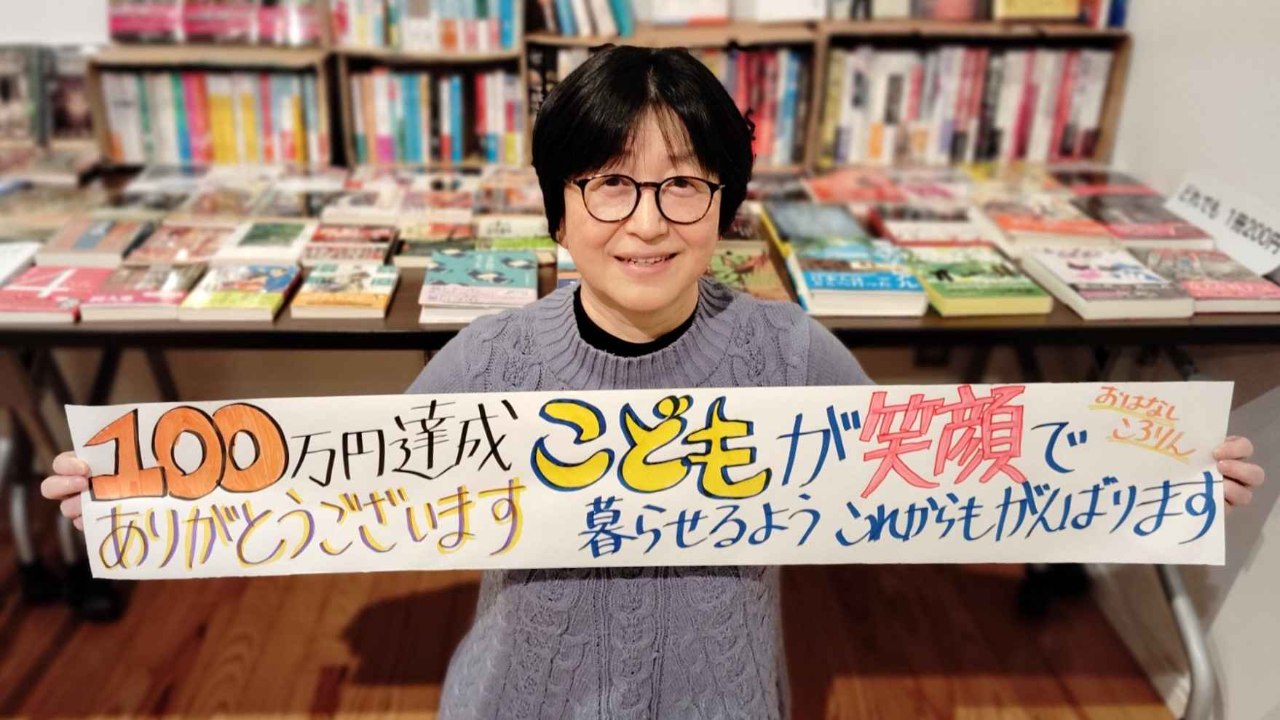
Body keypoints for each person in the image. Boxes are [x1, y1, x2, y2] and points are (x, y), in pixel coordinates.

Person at [42, 46, 1265, 719]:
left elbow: (943, 471)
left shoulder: (790, 354)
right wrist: (139, 492)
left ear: (725, 210)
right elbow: (341, 492)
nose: (645, 219)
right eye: (609, 183)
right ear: (559, 209)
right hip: (519, 703)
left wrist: (1148, 470)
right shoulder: (488, 358)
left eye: (683, 184)